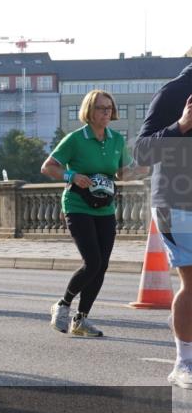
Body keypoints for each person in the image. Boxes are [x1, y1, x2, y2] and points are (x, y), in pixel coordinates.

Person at [42, 89, 143, 338]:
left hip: (105, 208)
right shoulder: (76, 139)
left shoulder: (116, 140)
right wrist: (72, 175)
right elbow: (48, 167)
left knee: (102, 265)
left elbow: (122, 173)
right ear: (89, 111)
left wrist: (145, 169)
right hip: (77, 205)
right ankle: (63, 304)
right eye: (101, 108)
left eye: (109, 108)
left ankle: (81, 320)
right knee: (93, 262)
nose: (106, 112)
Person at [134, 61, 192, 387]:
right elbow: (141, 152)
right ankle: (184, 363)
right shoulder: (174, 91)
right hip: (177, 202)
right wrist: (180, 126)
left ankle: (183, 323)